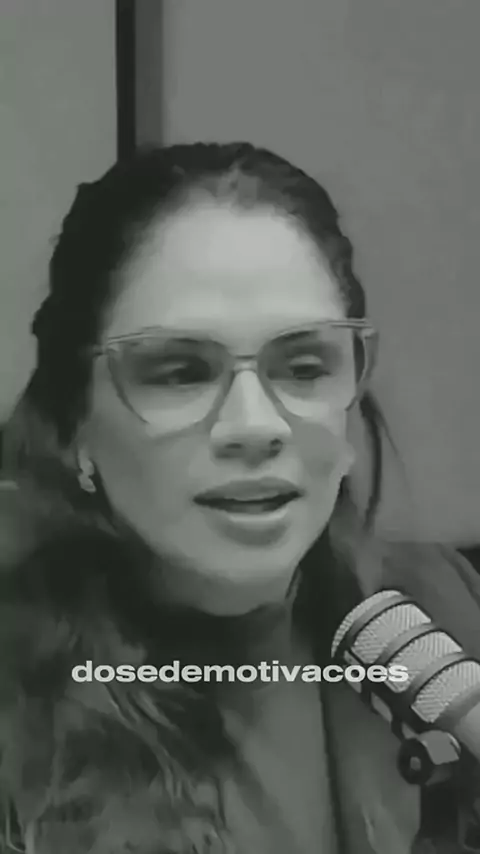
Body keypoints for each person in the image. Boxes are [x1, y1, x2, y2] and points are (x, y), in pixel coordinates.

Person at [0, 141, 480, 854]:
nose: (257, 427)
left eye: (305, 366)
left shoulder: (439, 609)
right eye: (181, 372)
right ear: (74, 425)